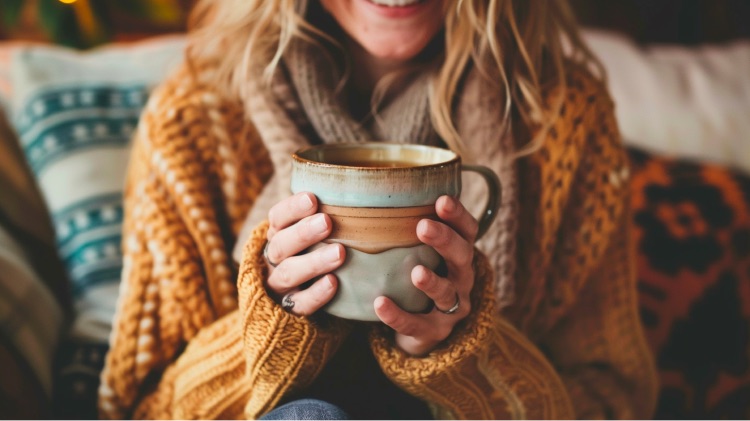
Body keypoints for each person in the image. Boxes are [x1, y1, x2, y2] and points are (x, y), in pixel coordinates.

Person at [98, 0, 659, 419]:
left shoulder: (559, 119)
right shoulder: (194, 122)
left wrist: (466, 347)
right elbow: (142, 408)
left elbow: (612, 400)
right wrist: (272, 325)